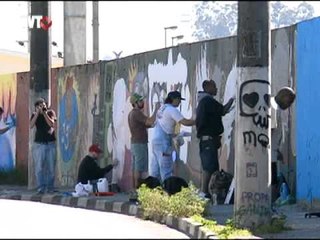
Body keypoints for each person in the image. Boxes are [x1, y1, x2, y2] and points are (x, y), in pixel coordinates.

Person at [196, 79, 234, 198]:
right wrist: (233, 99)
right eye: (214, 87)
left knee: (210, 166)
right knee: (209, 166)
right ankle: (204, 193)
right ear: (207, 87)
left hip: (207, 140)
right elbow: (223, 110)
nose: (216, 89)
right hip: (208, 140)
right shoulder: (208, 101)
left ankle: (207, 192)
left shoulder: (204, 101)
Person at [151, 90, 195, 182]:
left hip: (156, 142)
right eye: (179, 100)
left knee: (156, 172)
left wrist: (178, 135)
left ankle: (153, 193)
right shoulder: (172, 110)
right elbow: (185, 122)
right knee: (166, 171)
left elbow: (164, 126)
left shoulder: (162, 108)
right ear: (174, 99)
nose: (179, 102)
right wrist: (198, 120)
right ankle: (168, 192)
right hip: (163, 143)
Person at [128, 93, 160, 192]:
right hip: (139, 143)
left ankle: (134, 189)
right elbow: (149, 121)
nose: (143, 102)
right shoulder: (137, 113)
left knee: (135, 167)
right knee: (139, 167)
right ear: (136, 103)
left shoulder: (132, 114)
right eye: (141, 101)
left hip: (135, 143)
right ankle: (138, 189)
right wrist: (156, 109)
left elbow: (145, 125)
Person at [30, 98, 57, 194]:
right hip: (39, 144)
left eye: (44, 105)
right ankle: (41, 187)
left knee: (51, 168)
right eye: (40, 105)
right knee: (39, 167)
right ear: (36, 107)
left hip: (50, 144)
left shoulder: (50, 113)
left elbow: (51, 124)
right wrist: (37, 113)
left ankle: (50, 187)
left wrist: (44, 113)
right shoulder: (34, 114)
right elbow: (31, 125)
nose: (43, 106)